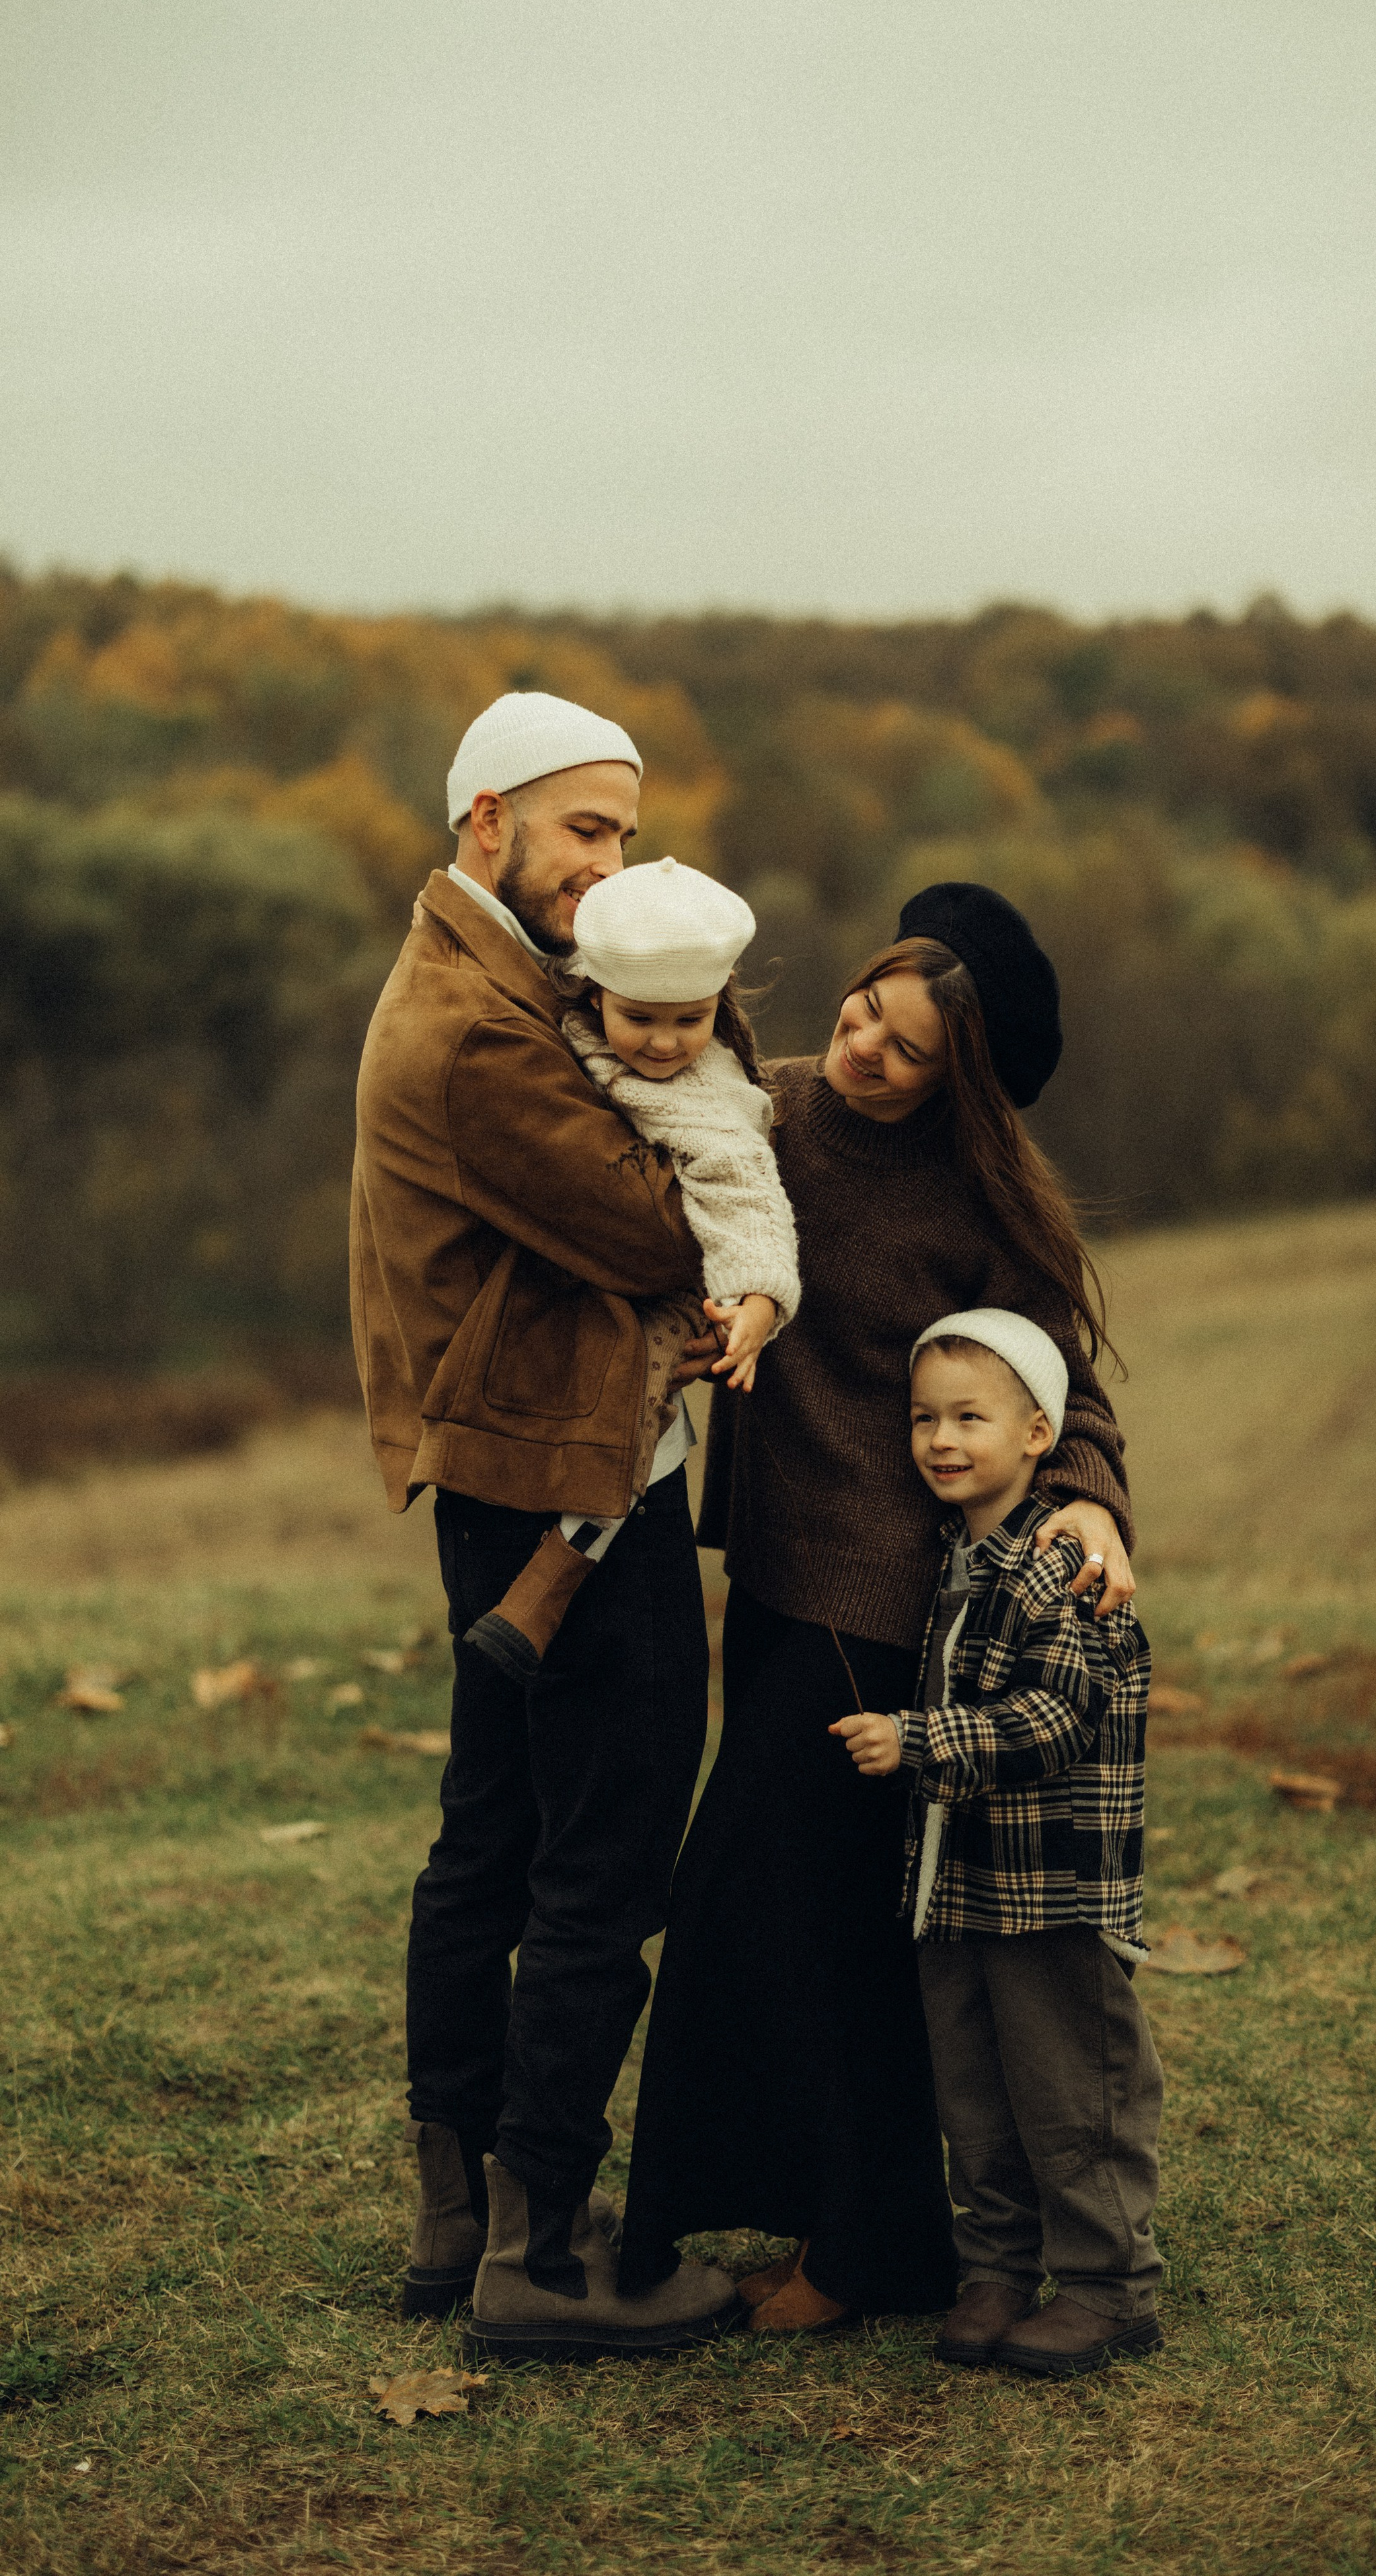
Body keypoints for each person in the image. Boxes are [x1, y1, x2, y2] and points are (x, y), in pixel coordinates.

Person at [617, 880, 1137, 2333]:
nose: (860, 1051)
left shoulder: (977, 1195)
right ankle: (866, 2238)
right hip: (774, 1572)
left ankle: (858, 2253)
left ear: (949, 1078)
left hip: (886, 1593)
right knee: (813, 1914)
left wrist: (1089, 1494)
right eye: (860, 1012)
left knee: (753, 1898)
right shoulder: (761, 1107)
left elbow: (1064, 1380)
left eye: (902, 1049)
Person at [350, 689, 738, 2364]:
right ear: (486, 820)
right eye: (588, 830)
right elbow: (655, 1225)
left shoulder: (502, 983)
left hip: (504, 1465)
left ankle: (459, 2216)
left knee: (492, 1834)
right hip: (566, 1482)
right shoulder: (479, 1032)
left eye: (627, 838)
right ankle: (542, 2247)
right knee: (603, 1846)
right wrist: (729, 1121)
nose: (611, 868)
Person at [833, 1310, 1163, 2378]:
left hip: (1050, 1888)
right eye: (925, 1418)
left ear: (1036, 1435)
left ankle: (1110, 2288)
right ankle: (998, 2273)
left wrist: (918, 1739)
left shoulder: (1059, 1563)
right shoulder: (955, 1559)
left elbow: (1056, 1717)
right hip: (960, 1889)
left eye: (970, 1417)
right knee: (974, 2094)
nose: (940, 1439)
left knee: (1076, 2090)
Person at [465, 855, 800, 1683]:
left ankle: (566, 1559)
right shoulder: (555, 1029)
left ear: (716, 1008)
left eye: (688, 1021)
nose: (662, 1043)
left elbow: (747, 1198)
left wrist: (755, 1301)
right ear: (595, 994)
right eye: (640, 1018)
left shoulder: (706, 1097)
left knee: (635, 1389)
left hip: (686, 1286)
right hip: (577, 1272)